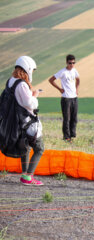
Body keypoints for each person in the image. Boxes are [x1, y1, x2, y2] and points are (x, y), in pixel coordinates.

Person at [10, 56, 44, 185]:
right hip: (26, 122)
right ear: (28, 69)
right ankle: (28, 176)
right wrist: (35, 95)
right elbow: (29, 104)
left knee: (26, 147)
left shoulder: (11, 81)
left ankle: (24, 174)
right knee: (39, 148)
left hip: (16, 122)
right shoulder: (22, 84)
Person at [48, 54, 80, 142]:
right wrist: (59, 89)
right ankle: (66, 137)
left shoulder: (74, 71)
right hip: (66, 98)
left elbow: (78, 79)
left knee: (74, 118)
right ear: (66, 62)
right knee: (67, 118)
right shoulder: (62, 72)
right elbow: (51, 80)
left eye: (73, 63)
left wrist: (77, 89)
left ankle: (72, 135)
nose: (72, 65)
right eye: (70, 63)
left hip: (74, 98)